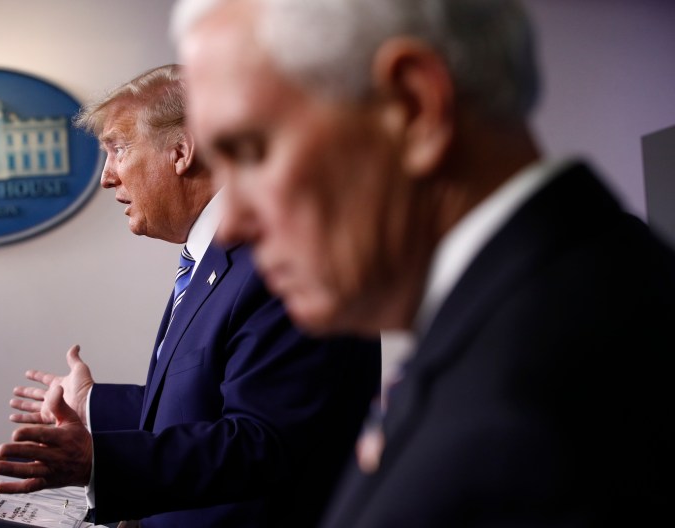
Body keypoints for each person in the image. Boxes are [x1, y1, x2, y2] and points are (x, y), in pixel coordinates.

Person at [173, 0, 675, 526]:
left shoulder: (551, 395)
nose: (231, 226)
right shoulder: (533, 310)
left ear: (413, 107)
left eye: (252, 151)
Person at [0, 64, 381, 528]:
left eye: (117, 149)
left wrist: (98, 461)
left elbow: (265, 441)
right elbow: (206, 404)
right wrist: (92, 404)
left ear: (181, 151)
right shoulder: (221, 257)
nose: (107, 177)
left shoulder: (286, 261)